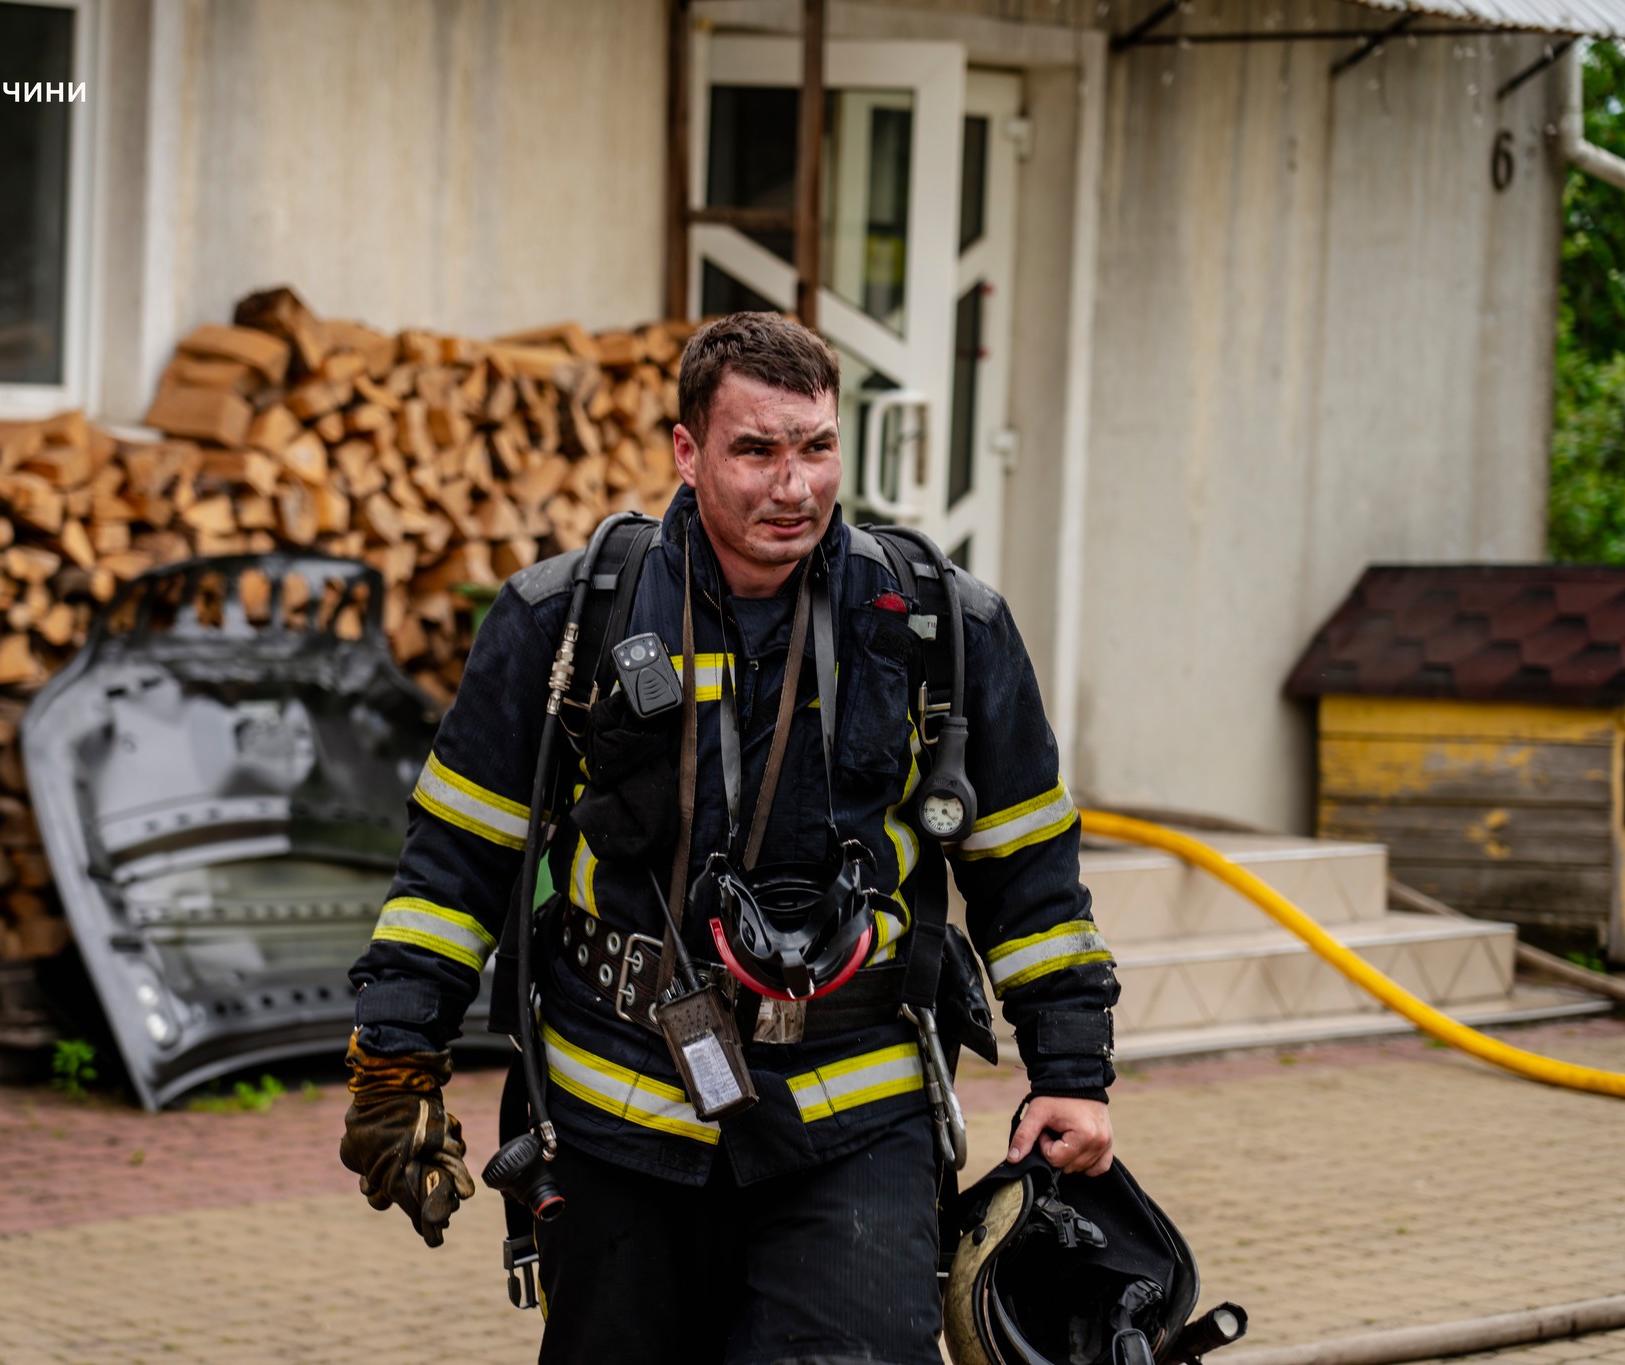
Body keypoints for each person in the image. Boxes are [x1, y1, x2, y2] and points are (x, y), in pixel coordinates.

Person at [340, 312, 1119, 1365]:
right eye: (755, 450)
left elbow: (1030, 870)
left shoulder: (940, 627)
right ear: (686, 450)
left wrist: (1070, 1069)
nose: (793, 486)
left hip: (853, 1116)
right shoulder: (564, 622)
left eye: (816, 447)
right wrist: (397, 1056)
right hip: (616, 1112)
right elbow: (456, 860)